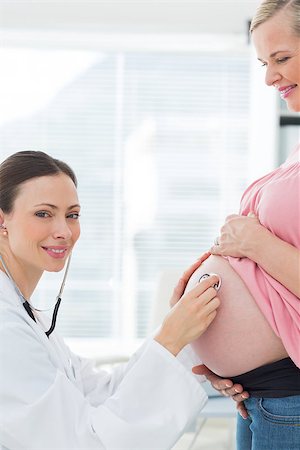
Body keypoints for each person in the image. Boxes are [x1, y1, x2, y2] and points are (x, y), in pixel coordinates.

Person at [0, 150, 224, 450]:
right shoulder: (6, 329)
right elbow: (85, 444)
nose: (64, 231)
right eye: (44, 213)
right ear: (2, 222)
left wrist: (186, 343)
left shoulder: (24, 314)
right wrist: (171, 339)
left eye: (72, 215)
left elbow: (100, 392)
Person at [181, 1, 300, 448]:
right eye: (264, 63)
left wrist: (253, 241)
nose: (270, 77)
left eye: (282, 58)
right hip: (263, 394)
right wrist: (231, 363)